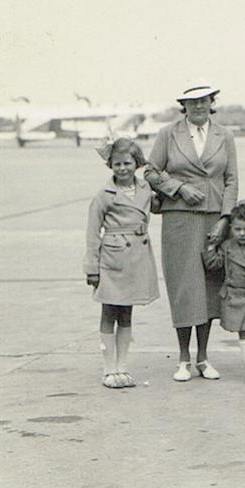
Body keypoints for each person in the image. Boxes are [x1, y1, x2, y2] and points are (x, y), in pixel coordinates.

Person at [146, 81, 239, 382]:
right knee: (185, 287)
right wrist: (180, 188)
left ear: (212, 102)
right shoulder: (168, 134)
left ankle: (203, 357)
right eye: (192, 102)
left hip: (214, 217)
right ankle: (184, 358)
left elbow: (231, 180)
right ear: (183, 106)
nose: (198, 106)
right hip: (180, 218)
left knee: (210, 287)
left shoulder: (224, 135)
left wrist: (225, 219)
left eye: (204, 101)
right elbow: (150, 171)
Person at [83, 138, 160, 389]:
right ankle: (109, 368)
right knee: (109, 311)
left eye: (127, 163)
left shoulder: (146, 189)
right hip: (112, 259)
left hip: (136, 258)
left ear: (136, 163)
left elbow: (158, 204)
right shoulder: (104, 196)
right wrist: (92, 268)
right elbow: (92, 234)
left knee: (126, 313)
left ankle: (123, 366)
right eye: (117, 164)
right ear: (110, 165)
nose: (122, 168)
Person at [203, 202, 245, 386]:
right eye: (238, 229)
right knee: (244, 332)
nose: (242, 234)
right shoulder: (227, 246)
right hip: (234, 297)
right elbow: (213, 265)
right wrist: (211, 246)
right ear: (231, 227)